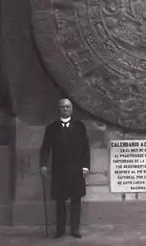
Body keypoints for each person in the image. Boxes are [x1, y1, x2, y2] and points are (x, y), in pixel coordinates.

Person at [40, 99, 90, 239]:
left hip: (76, 169)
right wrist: (43, 164)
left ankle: (75, 230)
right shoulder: (52, 127)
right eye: (62, 107)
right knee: (59, 201)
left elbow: (85, 148)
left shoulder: (80, 126)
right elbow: (45, 148)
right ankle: (60, 230)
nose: (65, 109)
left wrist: (86, 167)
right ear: (59, 109)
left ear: (71, 109)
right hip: (59, 170)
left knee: (76, 201)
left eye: (68, 107)